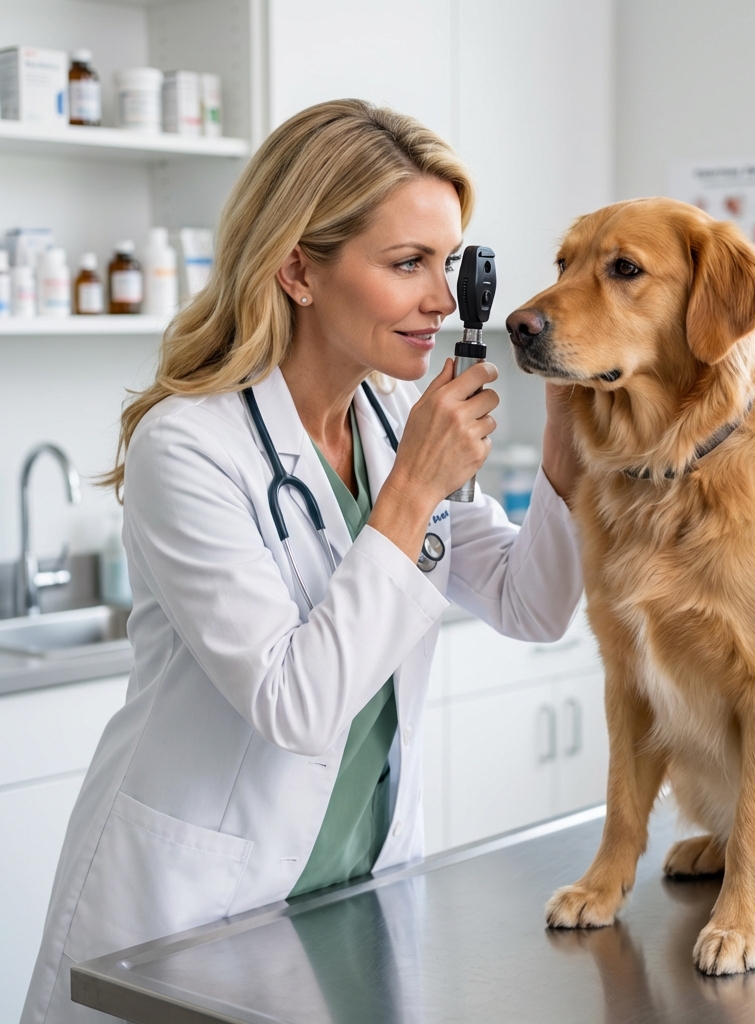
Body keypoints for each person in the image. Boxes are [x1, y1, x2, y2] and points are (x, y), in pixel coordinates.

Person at [22, 99, 584, 1024]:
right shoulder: (190, 446)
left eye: (448, 264)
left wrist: (563, 421)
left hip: (348, 903)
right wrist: (411, 494)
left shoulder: (393, 420)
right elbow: (298, 704)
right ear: (297, 270)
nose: (442, 300)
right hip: (187, 918)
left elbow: (536, 605)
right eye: (407, 264)